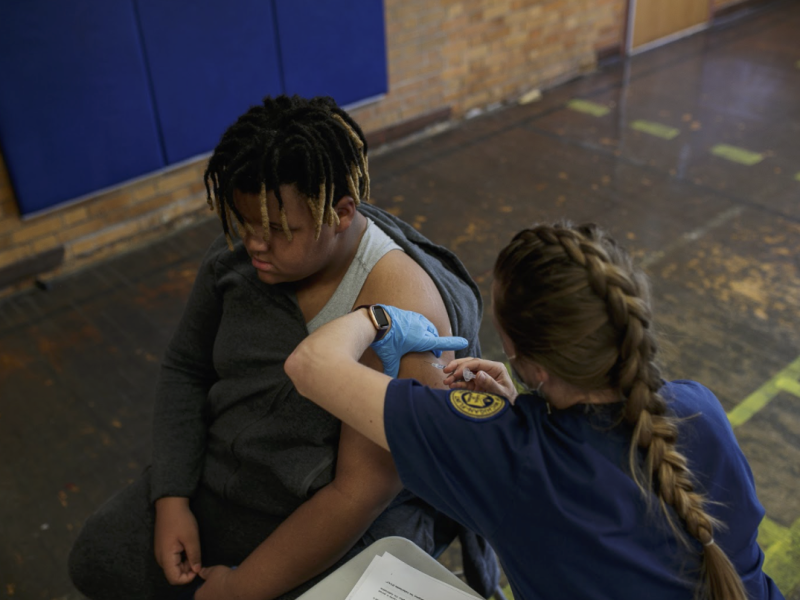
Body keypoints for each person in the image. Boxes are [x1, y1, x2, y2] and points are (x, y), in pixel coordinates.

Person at [68, 95, 499, 600]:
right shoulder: (243, 251)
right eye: (244, 222)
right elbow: (186, 367)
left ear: (341, 213)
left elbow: (359, 491)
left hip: (347, 511)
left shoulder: (401, 304)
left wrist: (241, 588)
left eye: (278, 229)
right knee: (95, 557)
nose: (254, 244)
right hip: (236, 473)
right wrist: (172, 494)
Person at [285, 222, 785, 600]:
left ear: (532, 366)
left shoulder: (504, 454)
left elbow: (310, 365)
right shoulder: (699, 407)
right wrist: (525, 413)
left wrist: (377, 315)